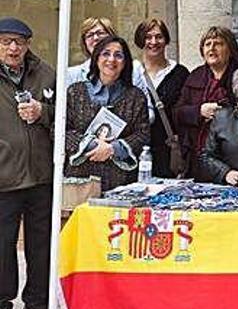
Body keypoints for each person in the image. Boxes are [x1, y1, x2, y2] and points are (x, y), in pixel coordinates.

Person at [0, 18, 57, 309]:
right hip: (3, 176)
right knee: (2, 247)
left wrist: (42, 112)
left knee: (42, 244)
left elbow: (64, 116)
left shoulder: (45, 72)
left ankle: (36, 303)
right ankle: (0, 307)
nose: (13, 48)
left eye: (19, 42)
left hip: (40, 175)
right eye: (7, 41)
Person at [65, 36, 150, 192]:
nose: (112, 59)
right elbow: (60, 130)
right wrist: (94, 145)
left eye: (118, 55)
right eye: (106, 54)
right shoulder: (75, 92)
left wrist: (112, 148)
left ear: (125, 63)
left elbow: (143, 134)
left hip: (121, 181)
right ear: (96, 59)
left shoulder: (135, 96)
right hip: (79, 180)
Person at [174, 26, 238, 180]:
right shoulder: (195, 75)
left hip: (233, 156)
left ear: (230, 48)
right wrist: (199, 111)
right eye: (207, 44)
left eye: (218, 43)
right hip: (197, 155)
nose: (212, 48)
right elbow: (177, 112)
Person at [66, 17, 154, 123]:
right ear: (84, 42)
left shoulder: (134, 70)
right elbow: (64, 120)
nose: (95, 38)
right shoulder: (71, 75)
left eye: (100, 33)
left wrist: (117, 130)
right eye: (89, 35)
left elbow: (149, 115)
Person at [134, 19, 189, 178]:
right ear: (141, 40)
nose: (153, 42)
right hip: (136, 149)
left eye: (159, 37)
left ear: (166, 40)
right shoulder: (132, 72)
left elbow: (184, 110)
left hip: (167, 150)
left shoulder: (180, 73)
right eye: (148, 37)